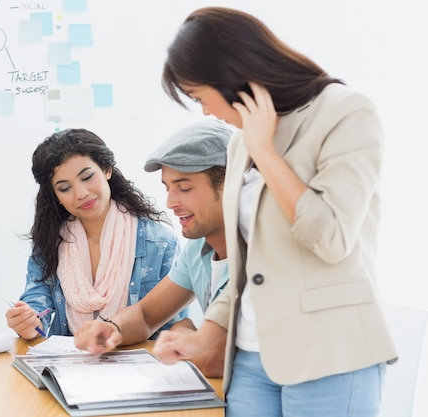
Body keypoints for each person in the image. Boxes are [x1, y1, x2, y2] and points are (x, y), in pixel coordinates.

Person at [152, 7, 398, 417]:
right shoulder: (239, 143)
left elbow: (333, 238)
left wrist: (266, 152)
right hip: (249, 359)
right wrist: (205, 335)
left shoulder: (345, 112)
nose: (206, 112)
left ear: (227, 73)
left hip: (328, 354)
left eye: (199, 96)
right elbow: (246, 268)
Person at [74, 118, 232, 377]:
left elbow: (211, 361)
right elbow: (146, 315)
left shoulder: (259, 253)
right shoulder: (197, 250)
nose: (170, 202)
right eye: (168, 188)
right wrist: (112, 328)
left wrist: (184, 330)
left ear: (230, 184)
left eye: (184, 188)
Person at [5, 128, 183, 339]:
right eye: (64, 188)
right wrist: (28, 322)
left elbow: (173, 326)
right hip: (67, 363)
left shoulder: (159, 243)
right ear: (55, 195)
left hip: (136, 366)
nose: (81, 193)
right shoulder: (51, 240)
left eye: (87, 177)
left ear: (107, 170)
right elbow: (37, 303)